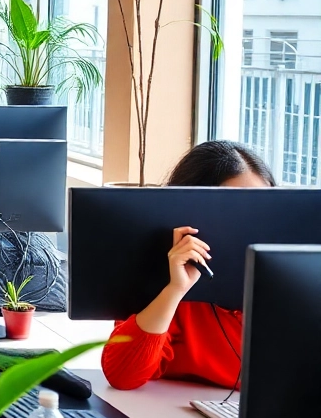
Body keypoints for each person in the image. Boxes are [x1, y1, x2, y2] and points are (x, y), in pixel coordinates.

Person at [101, 141, 276, 391]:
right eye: (237, 208)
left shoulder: (283, 274)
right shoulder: (162, 280)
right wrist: (176, 290)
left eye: (265, 206)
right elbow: (122, 375)